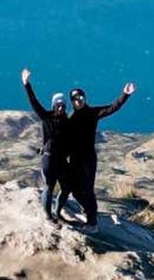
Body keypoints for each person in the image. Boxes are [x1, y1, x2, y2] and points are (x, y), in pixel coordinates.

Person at [62, 81, 137, 233]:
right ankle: (90, 211)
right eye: (76, 99)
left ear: (85, 98)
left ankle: (92, 223)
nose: (79, 100)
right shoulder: (69, 118)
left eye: (81, 97)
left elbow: (112, 107)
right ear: (72, 101)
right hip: (74, 159)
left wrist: (125, 94)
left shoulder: (92, 113)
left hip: (88, 158)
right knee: (75, 191)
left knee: (88, 190)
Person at [21, 67, 70, 224]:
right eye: (58, 104)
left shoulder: (68, 122)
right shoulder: (45, 116)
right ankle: (48, 216)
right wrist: (26, 83)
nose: (61, 107)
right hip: (48, 158)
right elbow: (33, 101)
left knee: (66, 187)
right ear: (54, 105)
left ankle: (58, 212)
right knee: (49, 187)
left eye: (63, 105)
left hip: (62, 159)